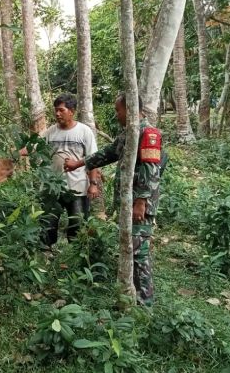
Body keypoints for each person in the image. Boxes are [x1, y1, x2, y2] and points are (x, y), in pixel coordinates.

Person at [64, 94, 163, 305]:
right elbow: (109, 153)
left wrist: (140, 202)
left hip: (139, 207)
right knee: (130, 250)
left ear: (131, 110)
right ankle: (130, 298)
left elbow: (151, 170)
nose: (117, 115)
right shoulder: (129, 134)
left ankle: (145, 304)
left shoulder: (148, 133)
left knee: (138, 253)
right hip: (130, 205)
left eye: (119, 110)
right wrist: (79, 163)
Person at [24, 94, 102, 247]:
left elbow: (93, 159)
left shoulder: (84, 132)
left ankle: (76, 256)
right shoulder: (50, 132)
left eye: (61, 110)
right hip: (52, 188)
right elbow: (33, 148)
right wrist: (13, 154)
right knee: (48, 224)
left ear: (71, 111)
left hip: (77, 188)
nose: (57, 114)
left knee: (77, 225)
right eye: (56, 110)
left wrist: (93, 183)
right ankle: (45, 254)